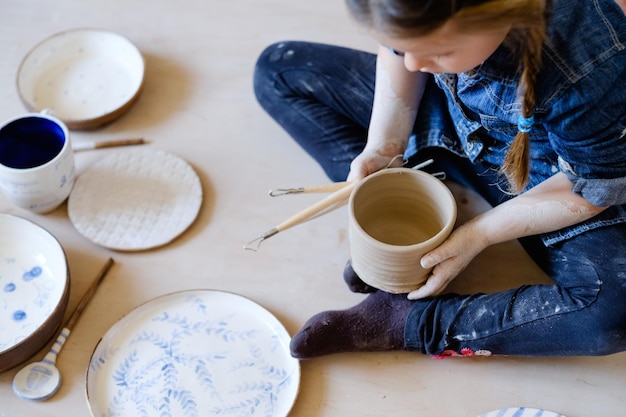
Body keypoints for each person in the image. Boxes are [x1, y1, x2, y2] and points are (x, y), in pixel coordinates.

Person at [253, 0, 626, 359]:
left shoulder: (592, 66)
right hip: (454, 121)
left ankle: (408, 321)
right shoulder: (421, 42)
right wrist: (385, 144)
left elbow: (591, 187)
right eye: (403, 47)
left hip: (543, 178)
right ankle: (396, 210)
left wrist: (478, 235)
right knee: (279, 70)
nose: (413, 64)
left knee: (613, 313)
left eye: (439, 50)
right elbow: (404, 54)